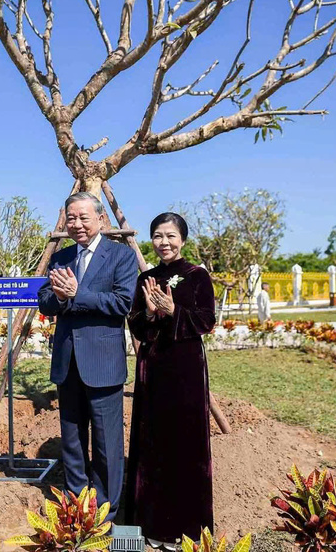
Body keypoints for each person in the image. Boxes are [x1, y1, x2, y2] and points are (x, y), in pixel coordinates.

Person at [37, 192, 137, 522]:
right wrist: (62, 299)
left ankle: (107, 512)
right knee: (72, 439)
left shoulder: (120, 257)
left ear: (101, 220)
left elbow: (122, 303)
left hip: (103, 363)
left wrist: (78, 293)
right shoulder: (61, 257)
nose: (76, 224)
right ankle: (77, 506)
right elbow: (45, 301)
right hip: (68, 362)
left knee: (108, 443)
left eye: (83, 217)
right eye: (71, 218)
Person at [125, 212, 216, 549]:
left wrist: (173, 310)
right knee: (150, 447)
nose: (164, 243)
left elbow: (206, 321)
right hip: (153, 368)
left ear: (183, 240)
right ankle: (145, 531)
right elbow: (137, 325)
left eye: (170, 236)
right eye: (158, 236)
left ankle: (185, 533)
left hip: (186, 370)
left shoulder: (197, 276)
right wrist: (149, 311)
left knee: (185, 446)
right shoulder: (145, 278)